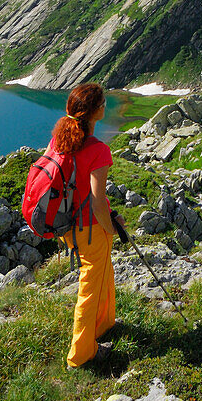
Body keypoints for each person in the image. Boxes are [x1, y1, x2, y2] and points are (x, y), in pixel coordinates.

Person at [50, 81, 126, 368]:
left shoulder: (61, 138)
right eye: (103, 103)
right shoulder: (98, 150)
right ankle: (80, 355)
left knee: (102, 273)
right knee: (89, 288)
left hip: (67, 226)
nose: (106, 106)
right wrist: (110, 227)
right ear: (94, 112)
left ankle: (103, 326)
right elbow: (96, 200)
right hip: (90, 228)